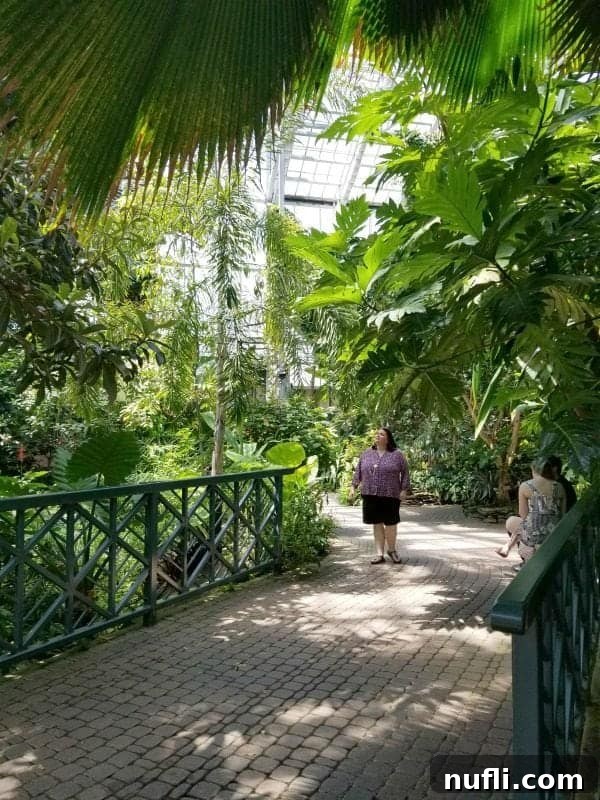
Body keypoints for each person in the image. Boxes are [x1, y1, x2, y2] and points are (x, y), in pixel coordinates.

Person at [349, 427, 410, 565]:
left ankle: (392, 550)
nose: (377, 436)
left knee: (391, 524)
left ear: (388, 439)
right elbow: (358, 471)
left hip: (390, 494)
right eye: (376, 434)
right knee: (377, 523)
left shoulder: (397, 454)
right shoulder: (366, 454)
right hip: (370, 494)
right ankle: (379, 554)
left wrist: (404, 489)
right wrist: (353, 486)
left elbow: (405, 472)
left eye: (381, 434)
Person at [496, 456, 566, 566]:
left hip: (534, 537)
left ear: (534, 470)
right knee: (528, 522)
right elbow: (562, 514)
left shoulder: (526, 486)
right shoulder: (560, 487)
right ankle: (507, 547)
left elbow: (523, 515)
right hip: (554, 534)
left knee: (521, 522)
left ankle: (509, 547)